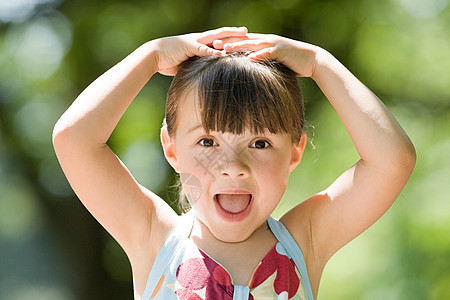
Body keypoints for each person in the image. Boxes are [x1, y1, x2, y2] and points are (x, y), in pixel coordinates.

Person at [53, 27, 416, 300]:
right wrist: (151, 55)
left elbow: (393, 160)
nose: (233, 166)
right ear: (171, 148)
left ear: (294, 151)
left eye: (260, 142)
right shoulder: (153, 238)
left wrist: (319, 62)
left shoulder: (305, 241)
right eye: (208, 141)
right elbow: (74, 140)